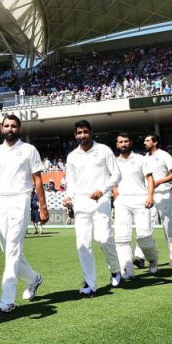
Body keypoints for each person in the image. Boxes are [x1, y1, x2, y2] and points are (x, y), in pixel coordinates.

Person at [0, 114, 46, 312]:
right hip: (1, 200)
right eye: (6, 126)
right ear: (1, 129)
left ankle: (7, 299)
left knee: (13, 247)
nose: (10, 129)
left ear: (19, 129)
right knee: (7, 249)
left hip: (21, 198)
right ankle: (34, 278)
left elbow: (38, 179)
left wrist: (43, 206)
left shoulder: (29, 150)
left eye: (14, 126)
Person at [62, 120, 122, 297]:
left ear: (91, 132)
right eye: (79, 133)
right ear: (75, 135)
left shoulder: (103, 150)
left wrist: (102, 190)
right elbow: (71, 181)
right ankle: (90, 283)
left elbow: (117, 175)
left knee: (103, 239)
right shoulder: (72, 156)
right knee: (83, 244)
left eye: (85, 132)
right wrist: (68, 196)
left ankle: (115, 270)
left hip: (101, 201)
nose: (83, 135)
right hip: (80, 202)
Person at [112, 132, 159, 281]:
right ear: (117, 144)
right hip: (122, 202)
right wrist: (116, 197)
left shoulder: (140, 159)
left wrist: (150, 195)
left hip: (141, 199)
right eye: (120, 142)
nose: (123, 144)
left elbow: (150, 178)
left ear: (130, 143)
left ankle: (152, 259)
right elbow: (112, 182)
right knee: (121, 238)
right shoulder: (113, 162)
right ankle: (127, 271)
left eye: (126, 141)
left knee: (144, 236)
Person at [134, 134, 172, 265]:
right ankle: (140, 256)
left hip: (163, 194)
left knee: (167, 225)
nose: (145, 143)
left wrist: (159, 182)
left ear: (155, 142)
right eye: (145, 140)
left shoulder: (164, 155)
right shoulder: (144, 158)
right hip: (149, 195)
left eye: (147, 140)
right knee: (146, 225)